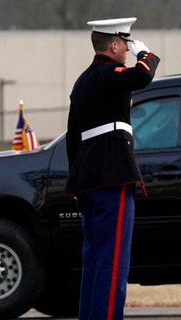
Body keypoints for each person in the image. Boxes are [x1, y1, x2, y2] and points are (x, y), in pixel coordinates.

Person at [65, 17, 160, 319]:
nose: (127, 50)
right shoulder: (109, 74)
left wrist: (78, 184)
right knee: (113, 261)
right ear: (115, 45)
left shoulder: (82, 82)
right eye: (126, 44)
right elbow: (142, 76)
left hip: (89, 180)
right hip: (111, 176)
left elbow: (72, 139)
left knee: (95, 259)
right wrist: (145, 55)